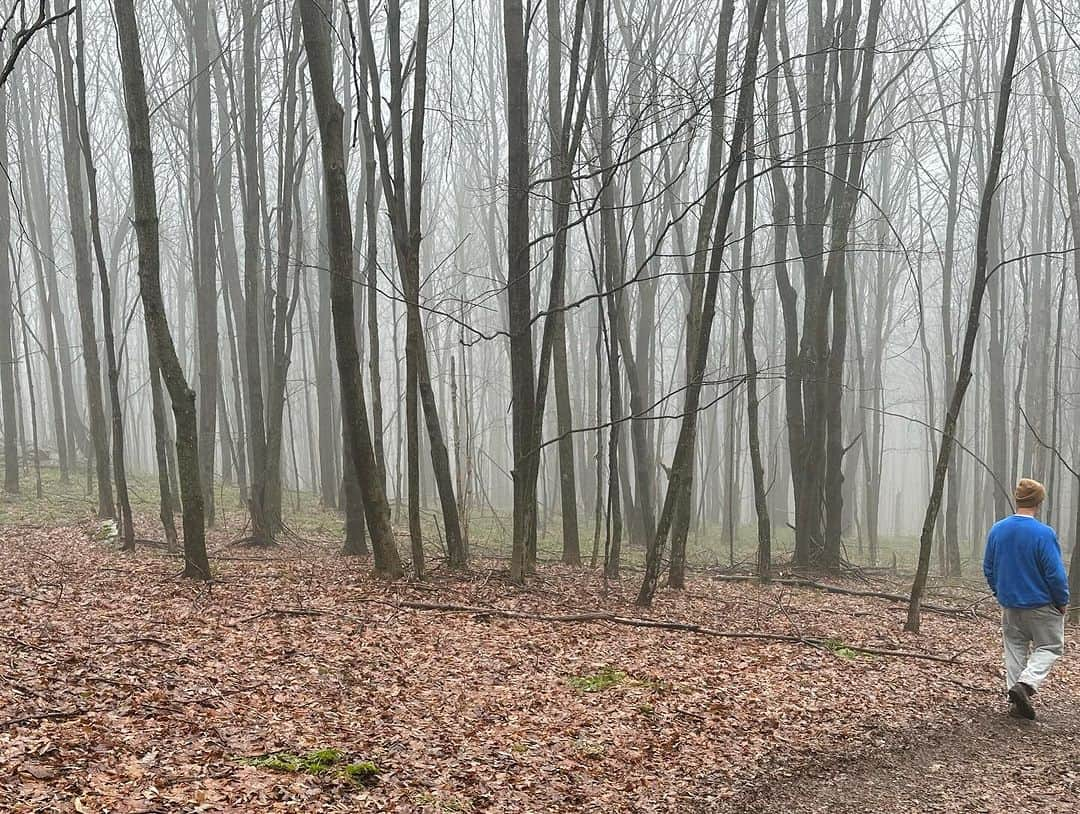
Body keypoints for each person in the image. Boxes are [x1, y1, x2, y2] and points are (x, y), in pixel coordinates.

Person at [982, 478, 1069, 720]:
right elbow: (1055, 573)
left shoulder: (998, 529)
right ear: (1039, 502)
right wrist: (1062, 600)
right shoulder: (1043, 533)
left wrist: (1000, 593)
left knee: (1015, 650)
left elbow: (988, 568)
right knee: (1050, 646)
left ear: (1017, 499)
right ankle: (1026, 684)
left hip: (1010, 605)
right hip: (1042, 604)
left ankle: (1017, 701)